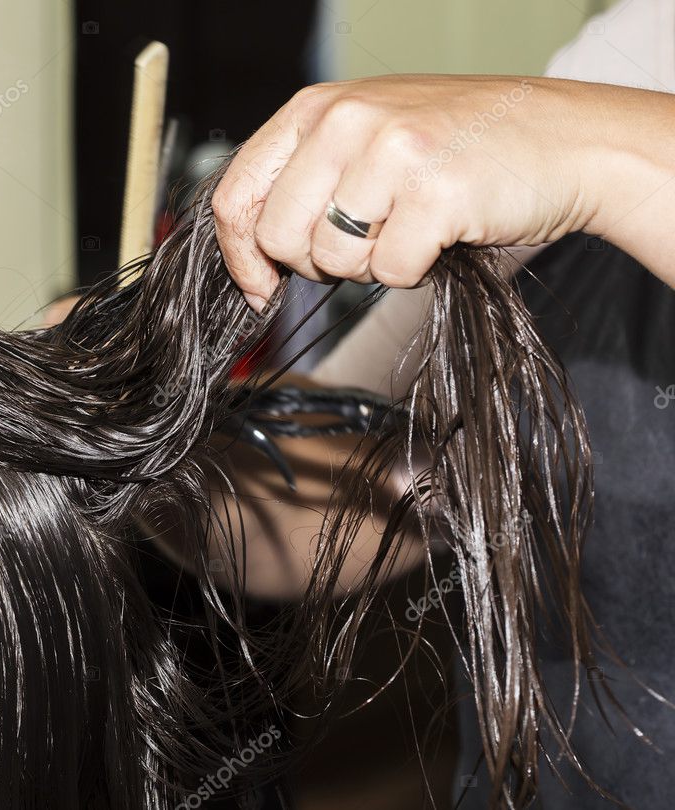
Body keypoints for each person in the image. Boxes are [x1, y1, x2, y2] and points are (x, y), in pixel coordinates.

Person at [212, 1, 675, 806]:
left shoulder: (590, 116)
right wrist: (151, 441)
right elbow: (370, 475)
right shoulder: (639, 46)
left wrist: (600, 152)